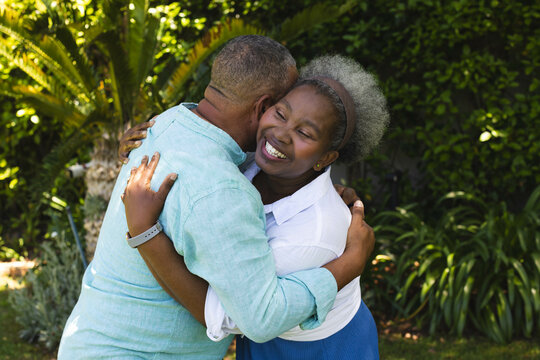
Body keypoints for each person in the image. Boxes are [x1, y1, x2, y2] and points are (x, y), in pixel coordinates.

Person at [58, 36, 373, 359]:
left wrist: (322, 190)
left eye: (304, 130)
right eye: (281, 110)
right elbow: (261, 318)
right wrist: (348, 265)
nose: (281, 131)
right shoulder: (224, 190)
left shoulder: (167, 123)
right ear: (264, 107)